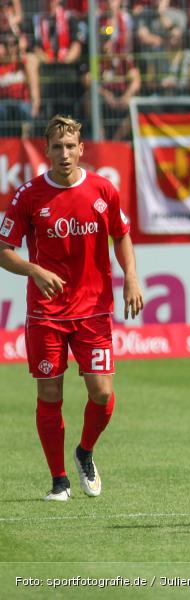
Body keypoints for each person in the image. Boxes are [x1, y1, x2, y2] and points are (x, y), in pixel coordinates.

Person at [0, 115, 144, 502]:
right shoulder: (28, 195)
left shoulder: (103, 189)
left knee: (101, 393)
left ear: (82, 149)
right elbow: (3, 251)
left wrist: (131, 276)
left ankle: (84, 451)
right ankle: (59, 481)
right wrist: (33, 269)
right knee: (49, 393)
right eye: (57, 147)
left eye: (71, 146)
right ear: (46, 150)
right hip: (46, 312)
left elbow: (122, 234)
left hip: (94, 309)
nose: (64, 154)